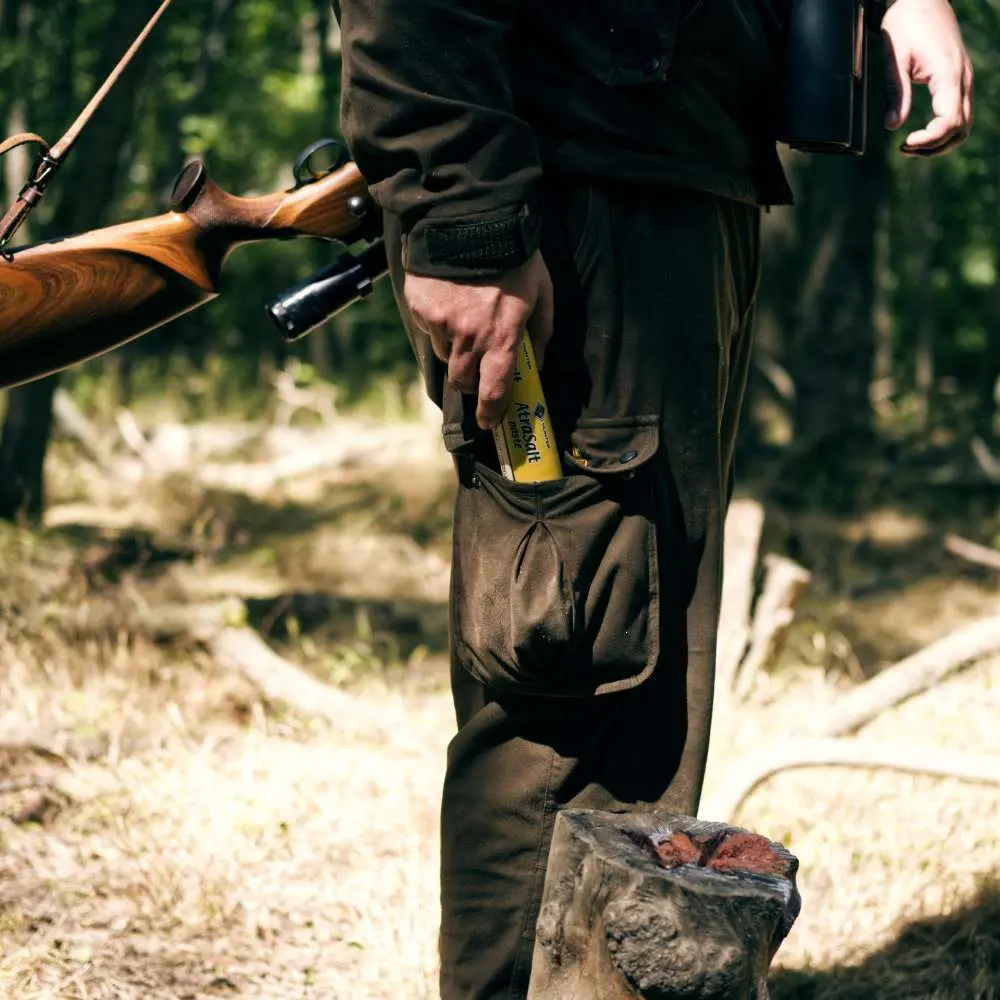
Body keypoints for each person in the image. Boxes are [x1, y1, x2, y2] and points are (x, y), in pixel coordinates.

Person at [330, 0, 973, 997]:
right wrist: (462, 209)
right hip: (575, 198)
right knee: (574, 694)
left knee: (641, 702)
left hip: (681, 172)